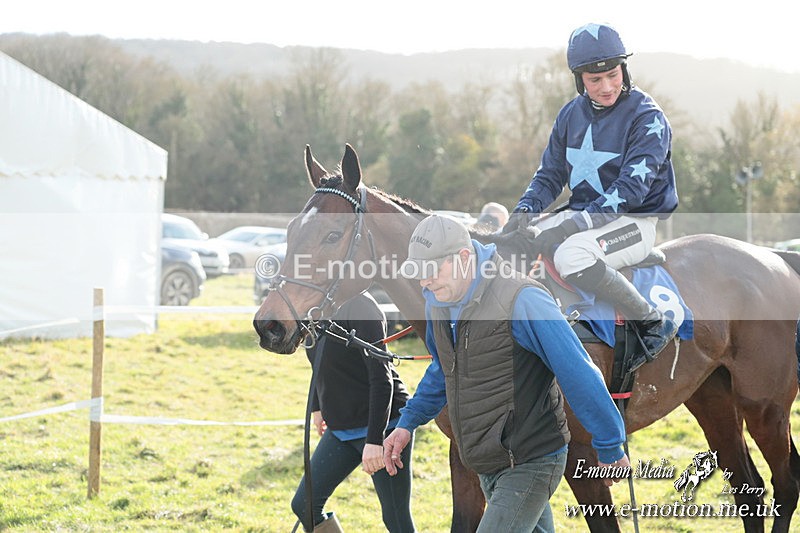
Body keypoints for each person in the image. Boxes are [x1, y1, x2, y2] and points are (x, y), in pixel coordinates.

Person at [385, 214, 629, 532]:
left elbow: (577, 370)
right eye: (418, 273)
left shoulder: (523, 299)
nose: (424, 282)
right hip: (489, 459)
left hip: (531, 458)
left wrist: (609, 443)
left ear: (463, 258)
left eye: (431, 271)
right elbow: (443, 368)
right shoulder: (438, 302)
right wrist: (408, 423)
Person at [502, 22, 679, 362]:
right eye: (594, 80)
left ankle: (651, 321)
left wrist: (571, 225)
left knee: (572, 257)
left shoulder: (648, 117)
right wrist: (524, 211)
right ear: (578, 78)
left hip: (633, 221)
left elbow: (630, 190)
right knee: (517, 247)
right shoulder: (570, 115)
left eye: (613, 75)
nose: (607, 86)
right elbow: (550, 175)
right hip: (585, 216)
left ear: (623, 69)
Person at [291, 292, 415, 533]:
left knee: (395, 519)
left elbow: (382, 378)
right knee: (304, 505)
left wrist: (374, 440)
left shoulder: (361, 305)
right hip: (341, 427)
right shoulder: (315, 305)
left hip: (385, 426)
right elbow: (316, 356)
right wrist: (318, 405)